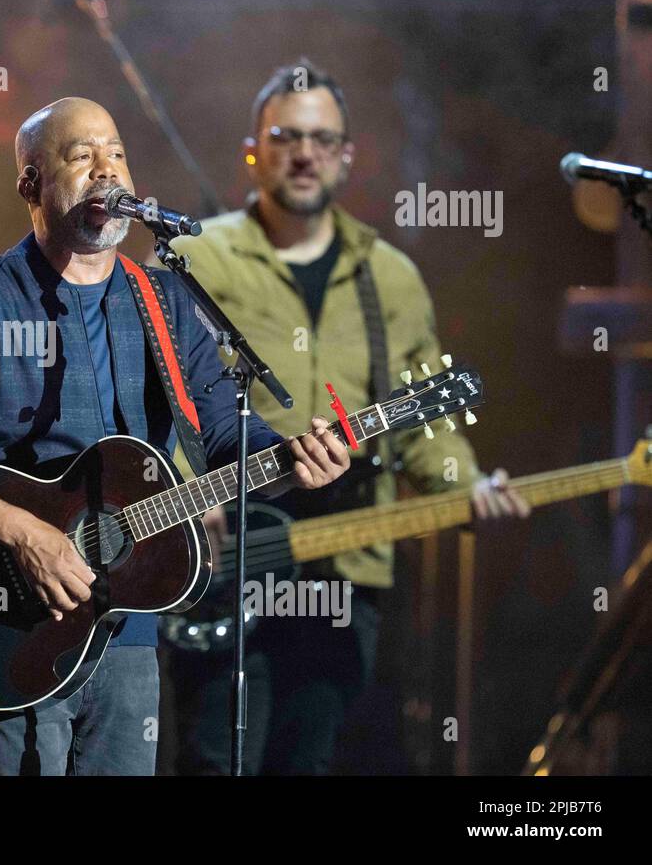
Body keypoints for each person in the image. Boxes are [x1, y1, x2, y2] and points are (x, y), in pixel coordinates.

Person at [0, 96, 350, 775]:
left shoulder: (165, 300)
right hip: (7, 622)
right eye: (80, 155)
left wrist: (292, 460)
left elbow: (221, 435)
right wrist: (23, 533)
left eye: (116, 152)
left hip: (129, 626)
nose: (106, 169)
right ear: (30, 183)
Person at [167, 59, 529, 775]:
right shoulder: (194, 257)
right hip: (218, 558)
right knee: (216, 762)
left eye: (323, 139)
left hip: (344, 563)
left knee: (309, 761)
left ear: (347, 156)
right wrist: (181, 491)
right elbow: (152, 394)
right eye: (286, 136)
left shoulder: (389, 274)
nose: (305, 153)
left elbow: (429, 419)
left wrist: (469, 484)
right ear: (255, 147)